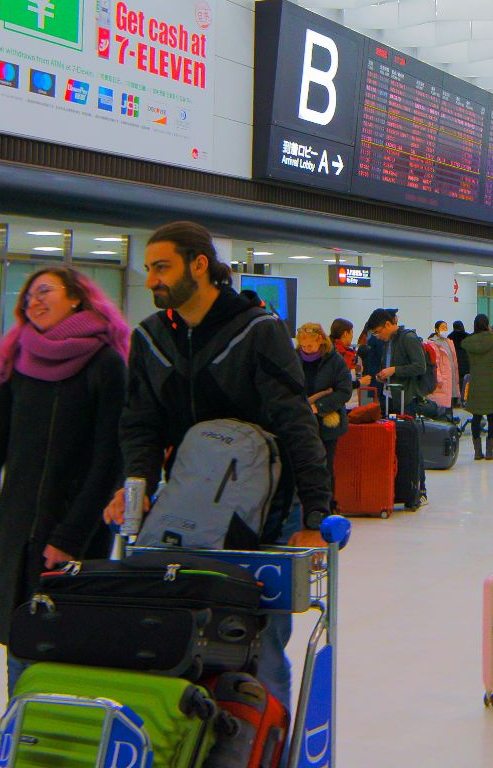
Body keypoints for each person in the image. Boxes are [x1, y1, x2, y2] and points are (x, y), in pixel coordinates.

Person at [113, 222, 332, 709]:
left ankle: (263, 748)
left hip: (268, 509)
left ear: (199, 265)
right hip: (188, 507)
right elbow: (141, 426)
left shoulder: (257, 330)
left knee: (258, 644)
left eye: (162, 267)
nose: (152, 280)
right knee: (181, 635)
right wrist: (136, 487)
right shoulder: (150, 339)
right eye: (148, 269)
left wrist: (316, 515)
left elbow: (297, 421)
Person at [0, 266, 128, 695]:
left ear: (76, 298)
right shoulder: (19, 364)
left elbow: (108, 461)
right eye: (28, 296)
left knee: (67, 650)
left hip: (73, 537)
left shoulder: (106, 365)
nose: (32, 301)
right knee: (22, 649)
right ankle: (23, 740)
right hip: (16, 534)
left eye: (44, 292)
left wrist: (71, 537)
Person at [297, 322, 354, 490]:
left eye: (310, 345)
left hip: (327, 425)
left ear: (320, 341)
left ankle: (327, 506)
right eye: (303, 345)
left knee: (324, 467)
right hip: (300, 422)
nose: (306, 349)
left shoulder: (335, 361)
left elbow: (344, 391)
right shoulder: (293, 359)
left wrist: (318, 407)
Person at [365, 309, 429, 415]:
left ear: (388, 324)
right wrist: (383, 376)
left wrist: (394, 370)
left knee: (404, 430)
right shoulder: (387, 341)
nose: (378, 336)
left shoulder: (408, 338)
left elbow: (420, 367)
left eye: (378, 332)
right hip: (388, 397)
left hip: (406, 400)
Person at [461, 314, 493, 459]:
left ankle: (477, 452)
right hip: (491, 380)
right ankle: (489, 452)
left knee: (476, 415)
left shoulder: (469, 342)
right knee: (492, 415)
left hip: (475, 381)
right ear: (487, 324)